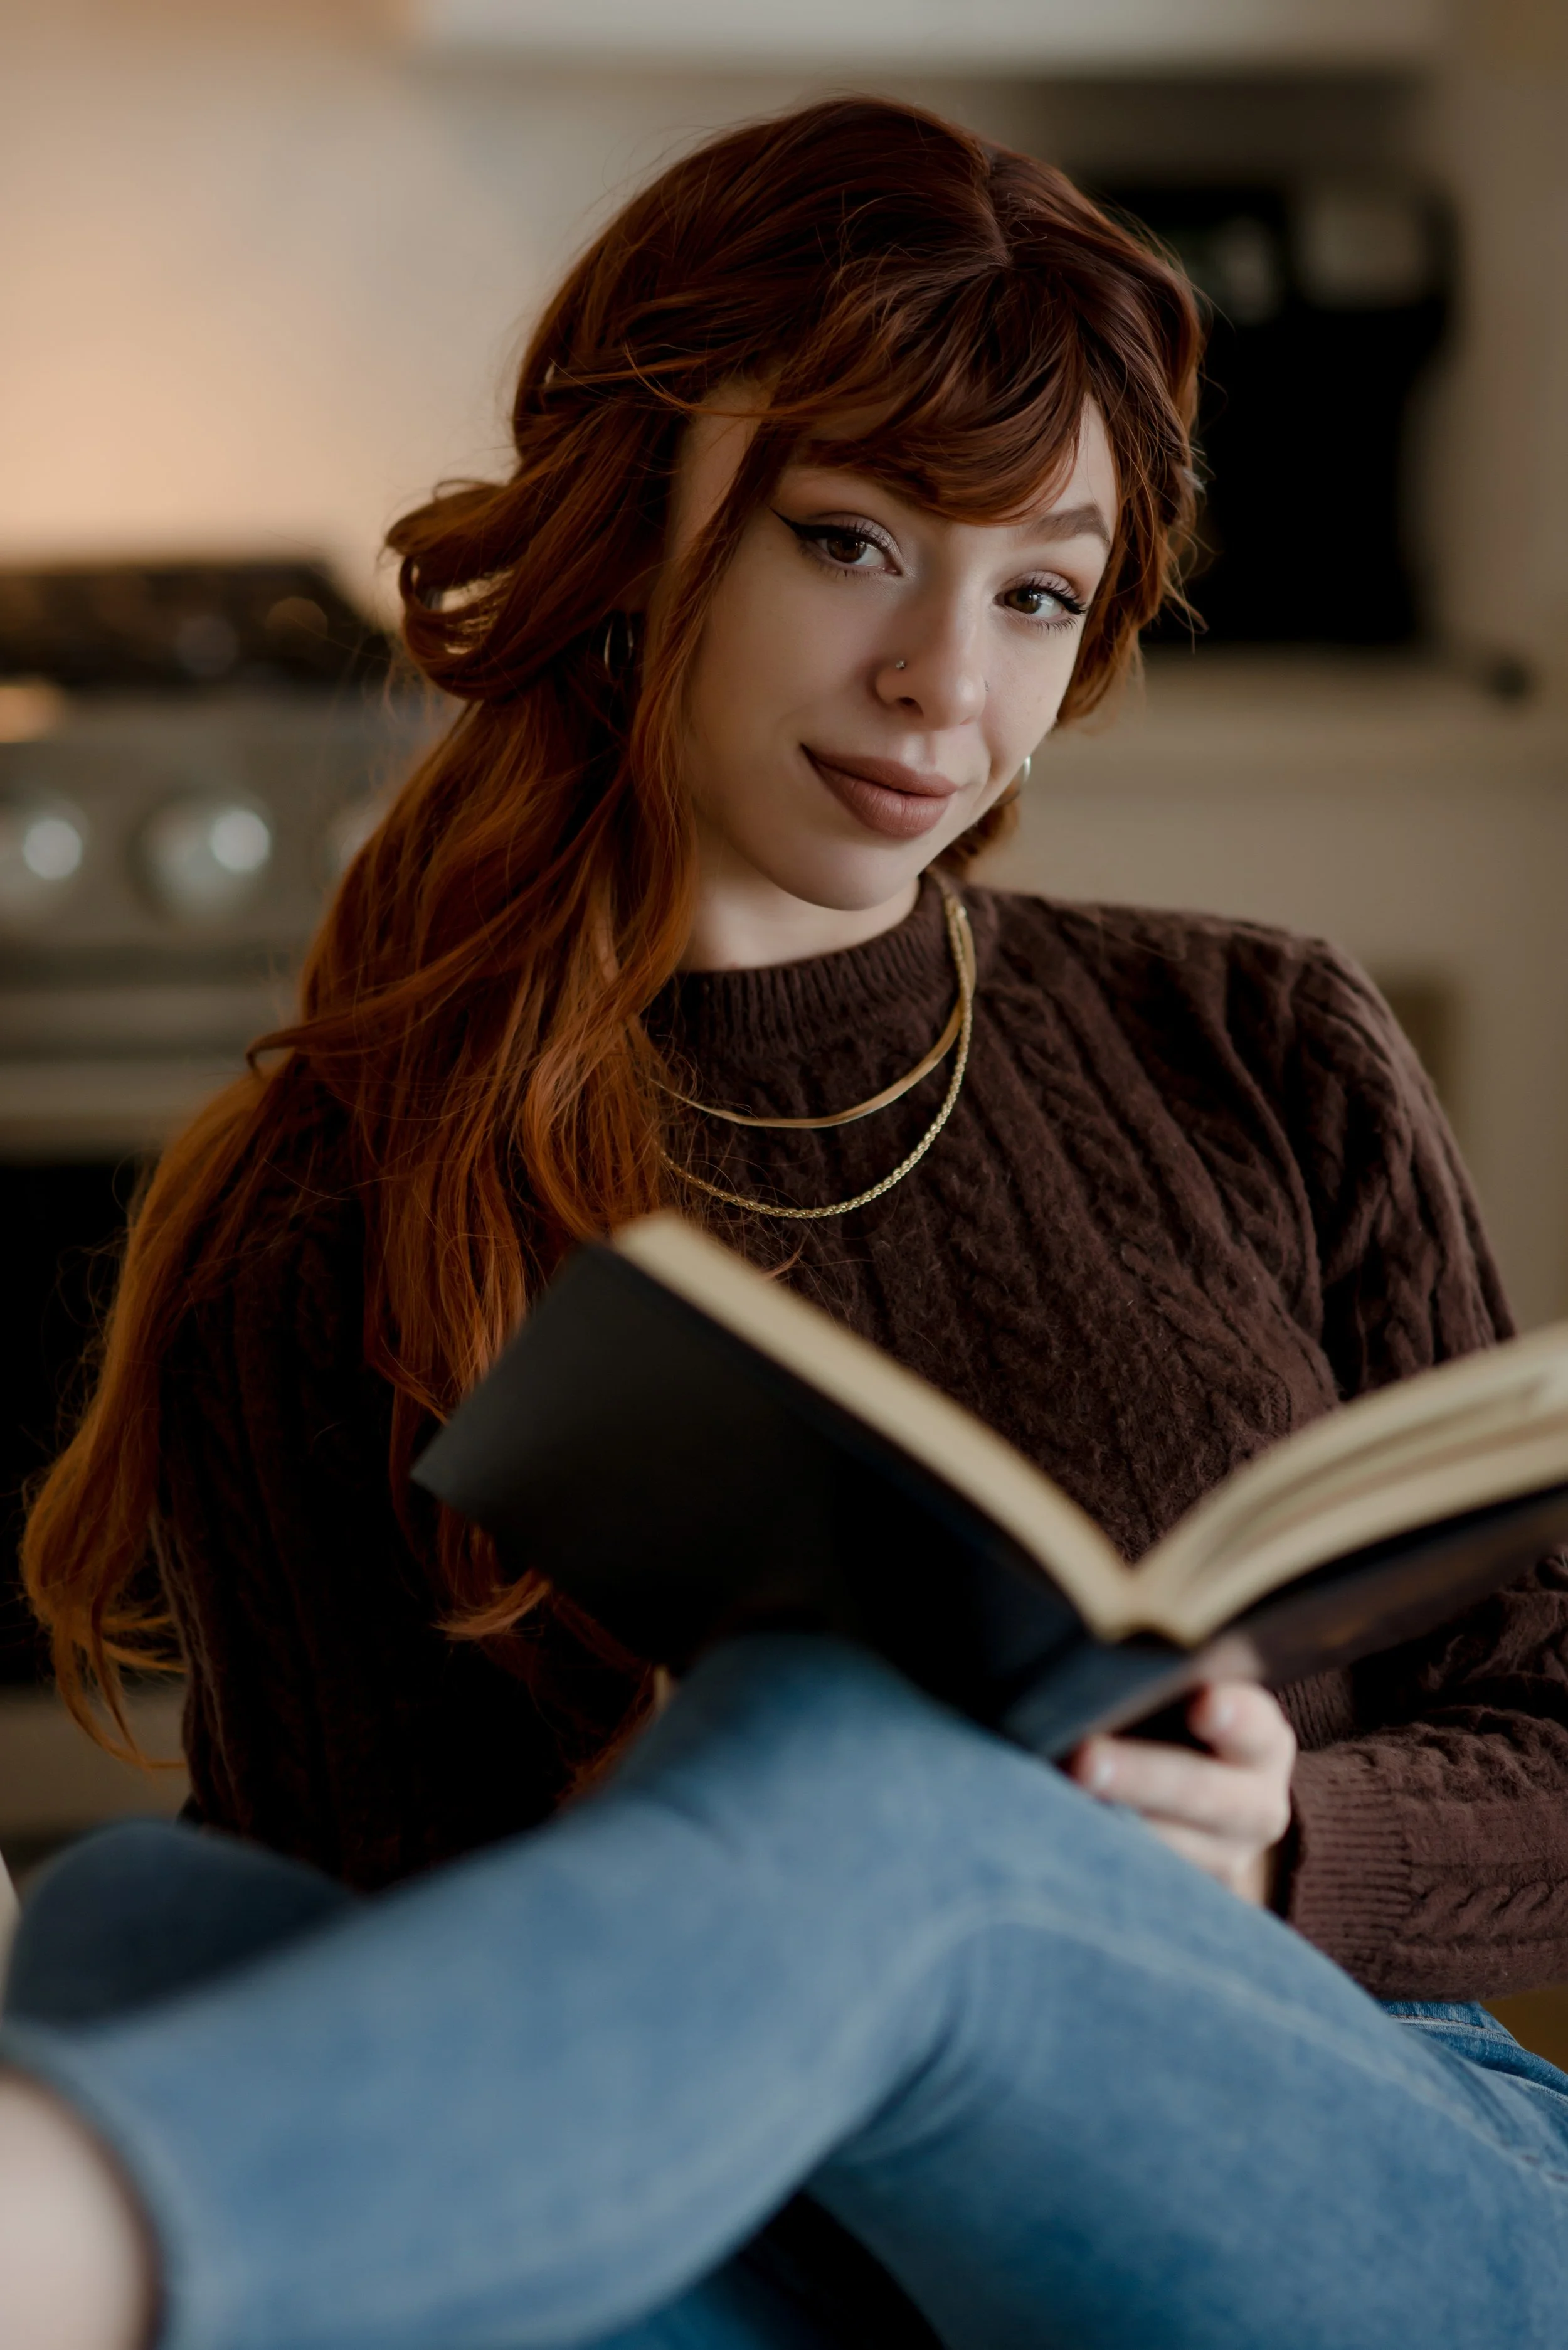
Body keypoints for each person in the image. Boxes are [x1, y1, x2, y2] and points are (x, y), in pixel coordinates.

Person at [11, 90, 1568, 2344]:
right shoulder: (328, 1208)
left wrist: (1272, 1847)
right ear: (641, 529)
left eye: (1035, 591)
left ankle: (68, 2246)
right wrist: (662, 1837)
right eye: (851, 544)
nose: (951, 689)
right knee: (135, 1923)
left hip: (1368, 2166)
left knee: (854, 1772)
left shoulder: (1255, 1041)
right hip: (786, 2232)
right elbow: (418, 1981)